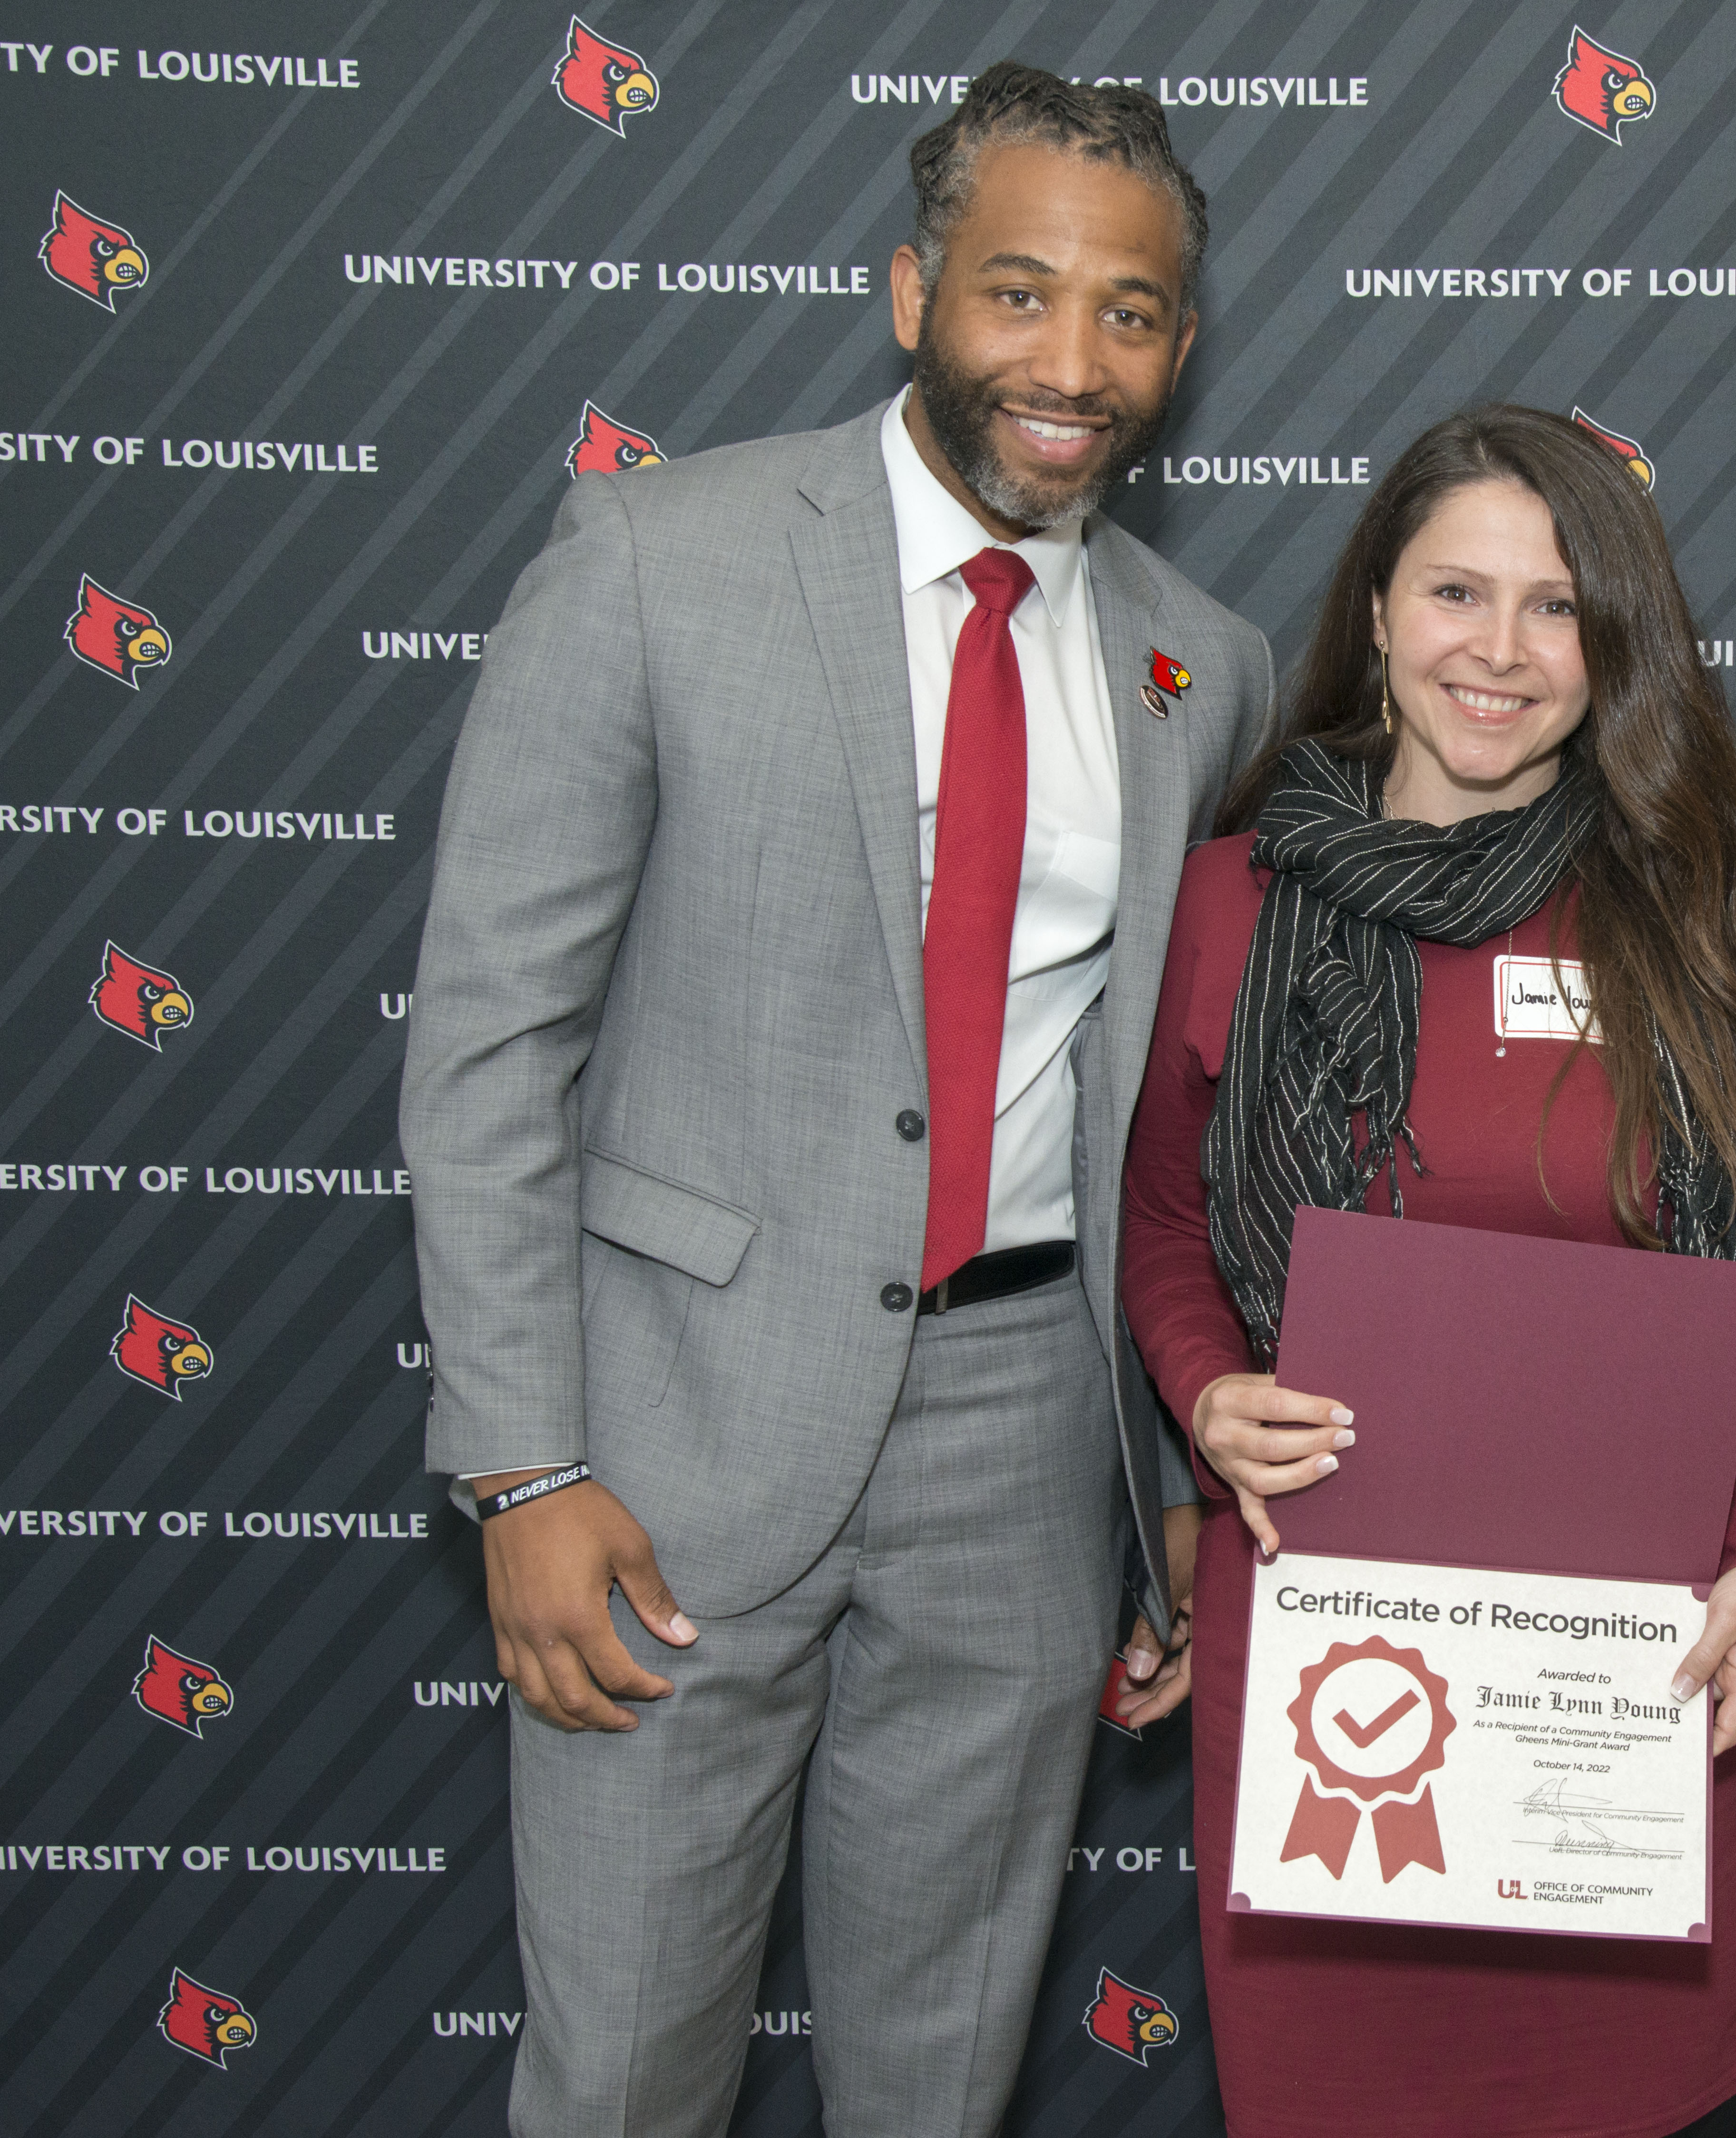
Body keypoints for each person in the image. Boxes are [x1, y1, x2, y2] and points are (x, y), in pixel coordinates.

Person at [399, 65, 1267, 2137]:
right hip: (669, 1438)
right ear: (910, 291)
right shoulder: (650, 555)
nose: (1070, 364)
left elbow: (1156, 1103)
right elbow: (489, 1037)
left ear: (1178, 343)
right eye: (1017, 293)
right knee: (620, 2071)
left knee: (939, 2075)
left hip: (1021, 1470)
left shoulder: (1197, 661)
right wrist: (521, 1463)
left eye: (1129, 313)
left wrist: (1151, 1471)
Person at [1116, 405, 1736, 2138]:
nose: (1499, 653)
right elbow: (1160, 1226)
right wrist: (1209, 1392)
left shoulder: (1687, 911)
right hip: (1332, 1658)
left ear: (1614, 648)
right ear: (1375, 610)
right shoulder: (1223, 900)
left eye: (1556, 607)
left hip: (1625, 1681)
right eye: (1456, 592)